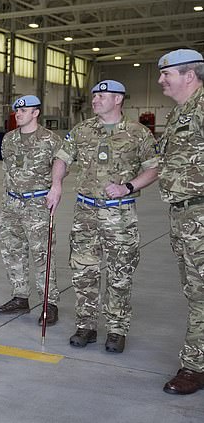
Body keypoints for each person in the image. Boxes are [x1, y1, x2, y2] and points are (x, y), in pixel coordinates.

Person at [47, 80, 158, 353]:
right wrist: (56, 184)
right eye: (95, 95)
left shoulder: (138, 133)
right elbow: (61, 158)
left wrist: (127, 186)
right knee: (84, 271)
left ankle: (117, 330)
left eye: (102, 95)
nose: (95, 100)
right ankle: (86, 325)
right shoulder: (82, 130)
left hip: (120, 215)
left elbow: (154, 169)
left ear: (118, 99)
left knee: (120, 273)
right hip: (85, 212)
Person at [155, 49, 204, 395]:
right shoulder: (178, 115)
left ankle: (194, 365)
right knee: (194, 291)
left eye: (166, 74)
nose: (160, 80)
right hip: (183, 215)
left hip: (201, 215)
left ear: (189, 75)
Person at [0, 95, 61, 326]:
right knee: (12, 252)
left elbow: (61, 169)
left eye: (24, 110)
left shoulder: (50, 139)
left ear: (36, 113)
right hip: (11, 203)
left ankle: (49, 303)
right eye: (16, 111)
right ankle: (20, 296)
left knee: (42, 255)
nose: (18, 114)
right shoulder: (8, 139)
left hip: (37, 204)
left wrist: (54, 187)